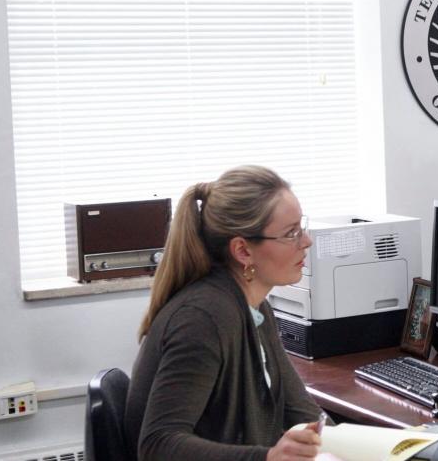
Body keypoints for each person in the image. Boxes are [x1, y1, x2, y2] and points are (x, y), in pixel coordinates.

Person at [125, 165, 325, 460]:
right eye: (291, 233)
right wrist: (268, 457)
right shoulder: (202, 319)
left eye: (301, 227)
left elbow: (302, 413)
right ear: (243, 251)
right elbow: (157, 444)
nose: (306, 241)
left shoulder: (256, 308)